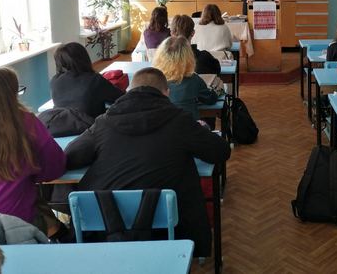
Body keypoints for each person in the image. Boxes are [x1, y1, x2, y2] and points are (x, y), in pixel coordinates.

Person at [65, 67, 230, 256]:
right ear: (166, 93)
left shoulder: (103, 123)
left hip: (106, 225)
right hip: (168, 226)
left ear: (128, 91)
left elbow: (70, 156)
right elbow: (220, 151)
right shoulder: (180, 120)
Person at [0, 68, 66, 236]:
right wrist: (29, 173)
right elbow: (55, 167)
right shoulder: (26, 122)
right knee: (53, 224)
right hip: (18, 223)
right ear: (9, 96)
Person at [153, 36, 219, 123]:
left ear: (160, 56)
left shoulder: (153, 80)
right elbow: (211, 99)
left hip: (161, 127)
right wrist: (216, 90)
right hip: (189, 127)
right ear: (189, 58)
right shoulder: (194, 79)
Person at [51, 42, 123, 118]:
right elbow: (121, 98)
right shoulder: (94, 80)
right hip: (91, 124)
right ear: (84, 59)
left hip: (62, 123)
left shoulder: (54, 81)